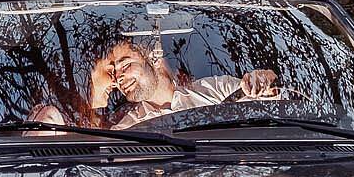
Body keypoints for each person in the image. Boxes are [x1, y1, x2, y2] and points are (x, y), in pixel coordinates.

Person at [88, 39, 279, 127]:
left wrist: (264, 81)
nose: (118, 78)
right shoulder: (128, 128)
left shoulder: (214, 90)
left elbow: (270, 95)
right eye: (114, 73)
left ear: (154, 59)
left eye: (125, 65)